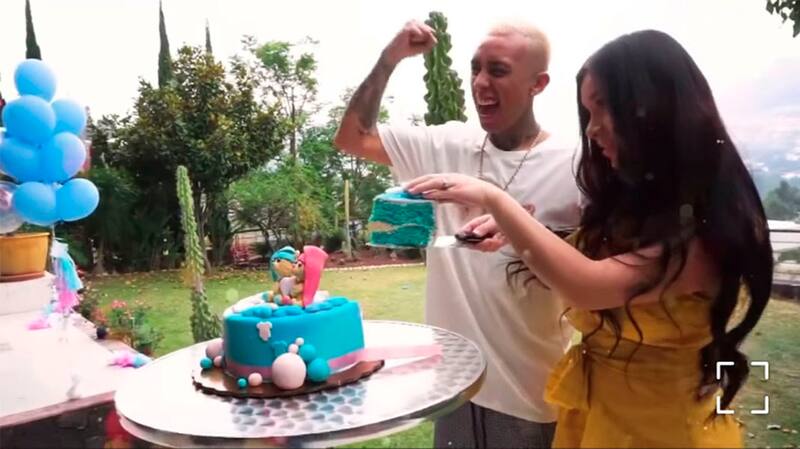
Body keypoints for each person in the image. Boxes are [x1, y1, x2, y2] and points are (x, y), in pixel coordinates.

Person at [406, 29, 773, 448]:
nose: (593, 130)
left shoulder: (706, 235)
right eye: (587, 112)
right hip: (596, 419)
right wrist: (515, 233)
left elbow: (588, 286)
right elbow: (580, 258)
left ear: (656, 107)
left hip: (665, 431)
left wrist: (495, 199)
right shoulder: (638, 212)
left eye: (604, 107)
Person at [334, 19, 582, 449]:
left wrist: (531, 231)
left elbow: (596, 268)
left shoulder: (572, 165)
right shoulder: (445, 144)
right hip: (455, 390)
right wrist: (390, 58)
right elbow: (353, 137)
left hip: (529, 398)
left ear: (537, 84)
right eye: (475, 68)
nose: (480, 83)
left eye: (498, 71)